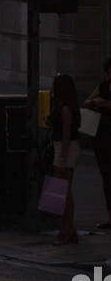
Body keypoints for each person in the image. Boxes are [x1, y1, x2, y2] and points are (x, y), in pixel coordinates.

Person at [48, 72, 81, 245]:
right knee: (64, 192)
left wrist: (62, 157)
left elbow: (67, 135)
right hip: (62, 147)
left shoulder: (66, 109)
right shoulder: (63, 106)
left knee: (63, 192)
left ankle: (65, 230)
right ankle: (69, 229)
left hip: (65, 149)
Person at [84, 55, 111, 230]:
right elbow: (87, 101)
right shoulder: (102, 86)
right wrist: (95, 102)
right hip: (102, 136)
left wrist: (106, 104)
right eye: (108, 72)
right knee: (107, 177)